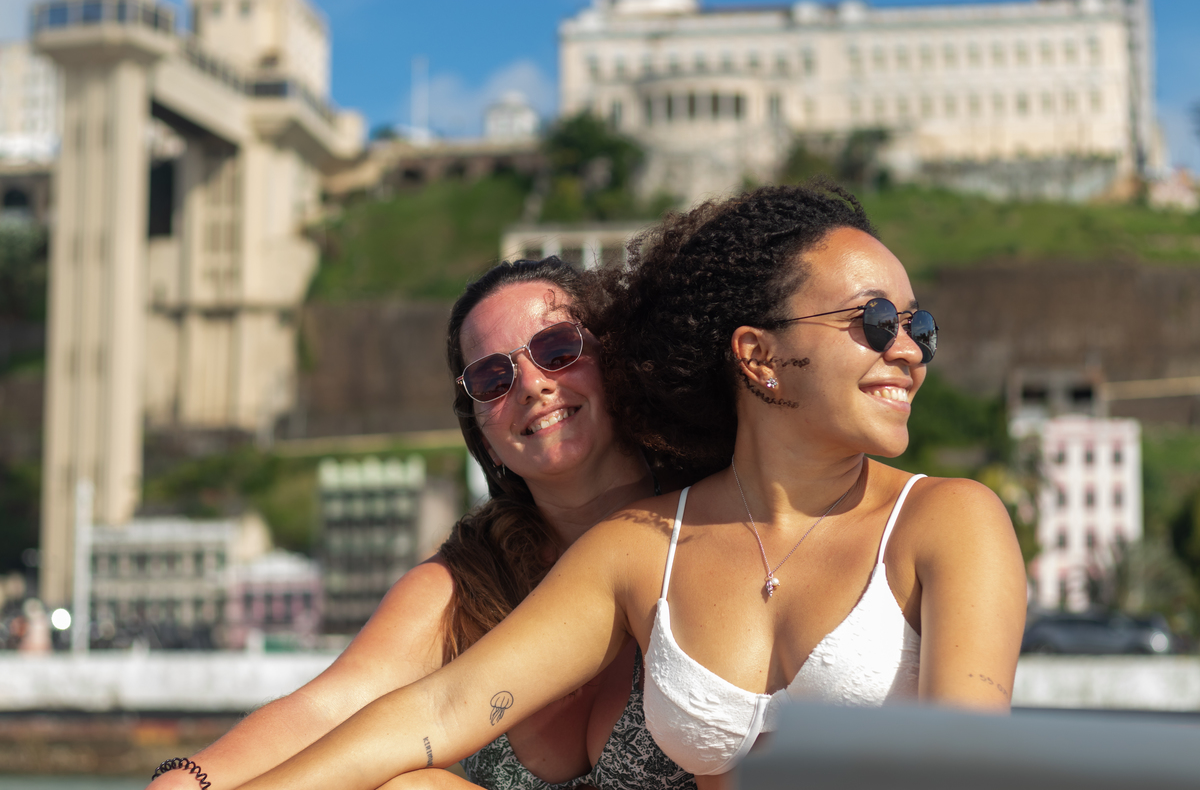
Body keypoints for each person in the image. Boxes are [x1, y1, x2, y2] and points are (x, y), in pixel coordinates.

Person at [233, 181, 1028, 790]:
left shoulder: (948, 519)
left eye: (918, 327)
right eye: (876, 321)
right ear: (757, 356)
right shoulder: (644, 546)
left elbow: (966, 772)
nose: (908, 351)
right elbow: (444, 707)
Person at [149, 257, 696, 790]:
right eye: (493, 378)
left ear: (615, 362)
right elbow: (329, 707)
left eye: (557, 349)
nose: (532, 384)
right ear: (486, 440)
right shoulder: (470, 583)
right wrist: (187, 781)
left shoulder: (712, 524)